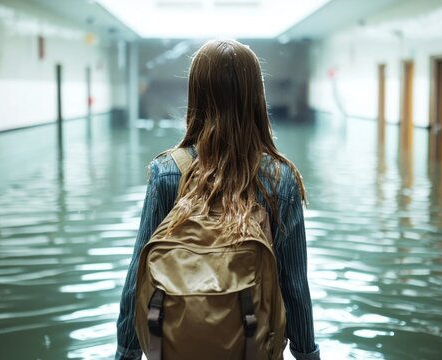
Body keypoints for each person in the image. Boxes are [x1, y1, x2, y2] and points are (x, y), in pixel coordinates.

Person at [115, 39, 320, 360]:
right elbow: (294, 287)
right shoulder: (280, 178)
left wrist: (125, 354)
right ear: (256, 95)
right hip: (254, 346)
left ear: (196, 93)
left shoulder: (168, 171)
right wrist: (307, 354)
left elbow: (137, 279)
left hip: (175, 344)